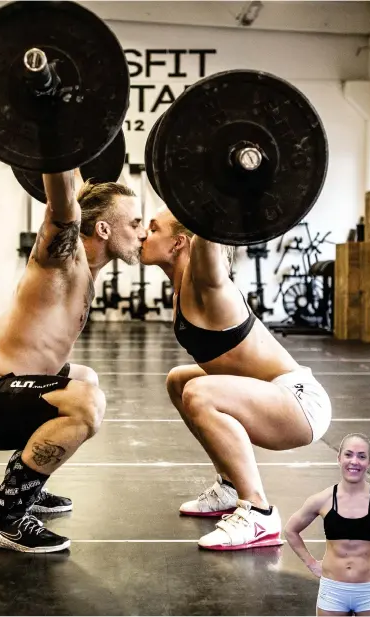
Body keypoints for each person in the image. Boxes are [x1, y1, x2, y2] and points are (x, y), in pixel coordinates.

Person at [0, 168, 146, 553]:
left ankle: (23, 485)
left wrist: (74, 150)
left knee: (87, 379)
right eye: (134, 223)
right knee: (85, 403)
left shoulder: (85, 270)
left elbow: (78, 182)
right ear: (102, 230)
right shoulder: (61, 258)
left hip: (3, 387)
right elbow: (64, 200)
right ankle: (4, 520)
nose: (142, 232)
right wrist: (55, 138)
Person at [140, 208, 332, 550]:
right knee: (180, 381)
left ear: (179, 243)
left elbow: (210, 223)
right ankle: (230, 487)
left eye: (153, 229)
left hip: (300, 403)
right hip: (278, 398)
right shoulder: (182, 288)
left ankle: (258, 511)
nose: (143, 234)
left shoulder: (210, 285)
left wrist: (208, 194)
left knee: (200, 392)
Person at [284, 434, 370, 616]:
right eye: (348, 455)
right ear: (339, 458)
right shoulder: (322, 500)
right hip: (332, 592)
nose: (354, 461)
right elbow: (290, 530)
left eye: (361, 456)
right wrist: (311, 563)